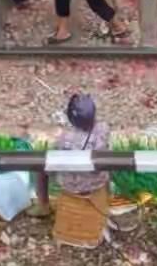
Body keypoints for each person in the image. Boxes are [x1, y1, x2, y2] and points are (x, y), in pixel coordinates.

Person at [31, 94, 112, 248]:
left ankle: (43, 205)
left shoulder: (64, 139)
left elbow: (54, 164)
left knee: (40, 166)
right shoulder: (103, 130)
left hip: (71, 185)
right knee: (106, 166)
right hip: (97, 181)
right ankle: (108, 201)